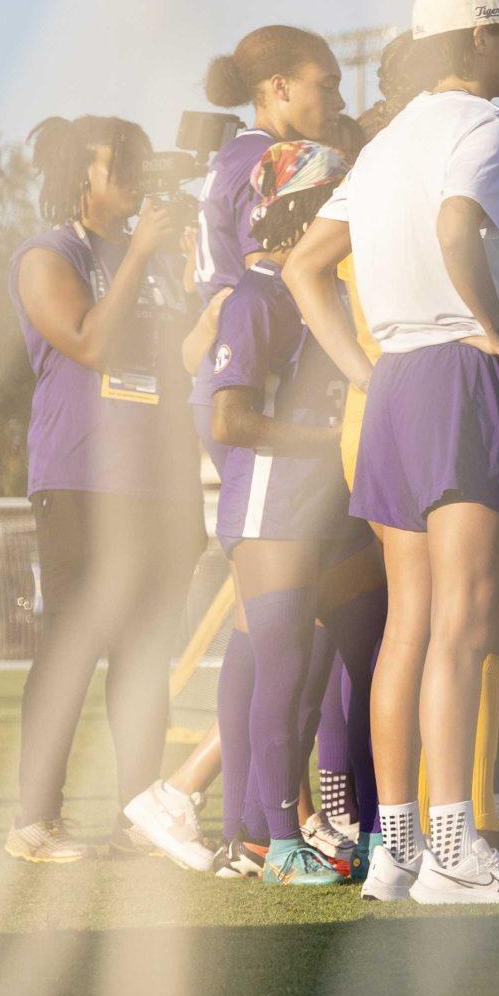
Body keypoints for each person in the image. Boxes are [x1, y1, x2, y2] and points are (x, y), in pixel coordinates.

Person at [286, 0, 499, 903]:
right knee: (465, 620)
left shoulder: (386, 139)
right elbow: (456, 230)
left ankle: (397, 850)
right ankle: (455, 848)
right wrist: (489, 325)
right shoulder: (485, 126)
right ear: (475, 42)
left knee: (408, 624)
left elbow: (304, 268)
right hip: (458, 374)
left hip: (398, 384)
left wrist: (363, 370)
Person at [6, 117, 203, 864]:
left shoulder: (154, 258)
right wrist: (141, 257)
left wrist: (188, 273)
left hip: (158, 481)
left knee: (145, 652)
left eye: (138, 161)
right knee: (71, 646)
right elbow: (87, 341)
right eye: (118, 163)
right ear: (80, 178)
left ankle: (138, 816)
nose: (134, 174)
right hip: (80, 478)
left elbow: (185, 357)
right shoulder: (47, 252)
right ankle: (34, 821)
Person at [202, 139, 388, 884]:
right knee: (280, 672)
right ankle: (273, 842)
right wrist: (334, 439)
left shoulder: (337, 287)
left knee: (370, 660)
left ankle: (379, 832)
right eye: (336, 192)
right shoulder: (255, 296)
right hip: (273, 509)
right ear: (303, 206)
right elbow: (230, 421)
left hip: (335, 509)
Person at [196, 26, 345, 300]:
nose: (340, 102)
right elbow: (264, 285)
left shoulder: (234, 153)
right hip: (261, 339)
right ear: (281, 86)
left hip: (228, 332)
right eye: (327, 86)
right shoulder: (274, 160)